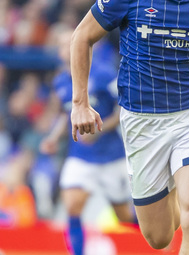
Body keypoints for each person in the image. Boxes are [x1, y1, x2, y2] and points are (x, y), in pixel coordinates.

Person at [70, 0, 189, 254]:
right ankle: (174, 180)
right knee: (159, 236)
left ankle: (184, 181)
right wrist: (80, 103)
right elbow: (82, 36)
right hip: (142, 121)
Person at [40, 30, 134, 255]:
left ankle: (162, 240)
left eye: (67, 44)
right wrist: (53, 138)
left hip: (111, 155)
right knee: (72, 206)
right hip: (80, 154)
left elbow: (124, 109)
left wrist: (98, 130)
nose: (63, 49)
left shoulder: (103, 73)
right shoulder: (61, 81)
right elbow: (66, 113)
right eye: (60, 45)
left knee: (124, 217)